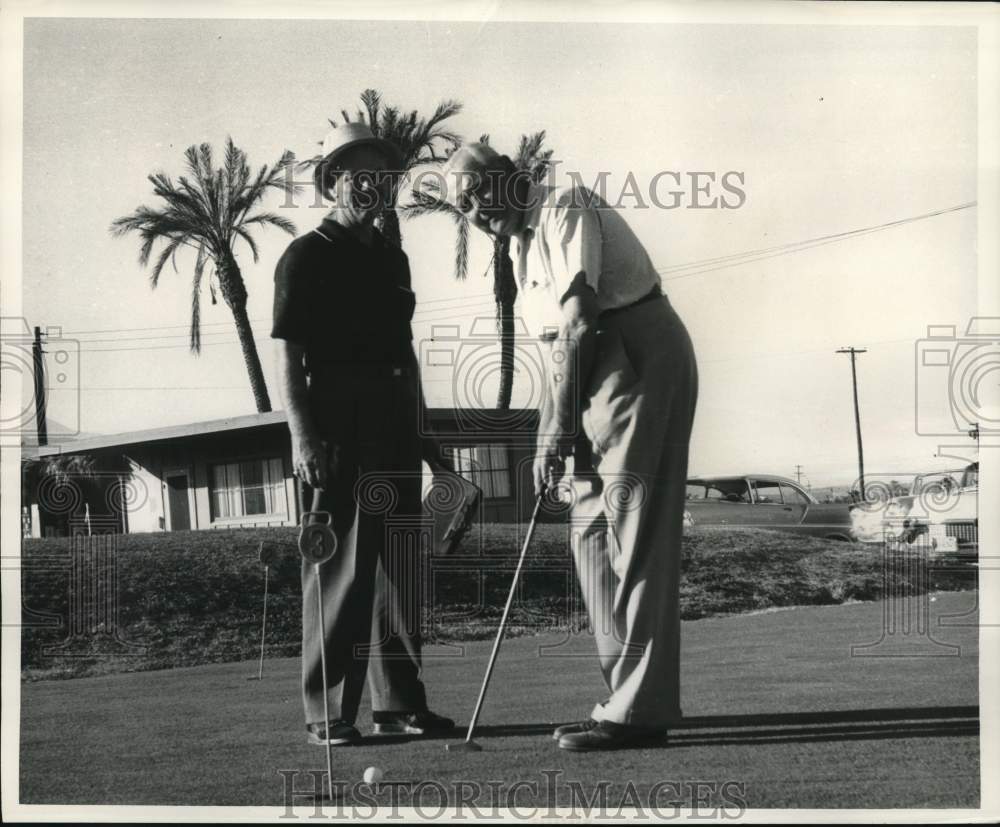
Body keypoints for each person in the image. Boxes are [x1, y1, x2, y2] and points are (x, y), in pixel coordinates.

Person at [441, 143, 698, 751]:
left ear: (509, 177)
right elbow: (558, 341)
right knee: (586, 532)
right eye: (462, 207)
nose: (475, 212)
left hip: (636, 356)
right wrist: (551, 422)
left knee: (633, 533)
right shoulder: (519, 245)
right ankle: (621, 696)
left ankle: (639, 710)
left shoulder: (564, 205)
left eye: (478, 192)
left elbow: (582, 319)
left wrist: (554, 424)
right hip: (582, 377)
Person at [272, 122, 453, 746]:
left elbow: (403, 349)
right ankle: (327, 713)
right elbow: (290, 358)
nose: (371, 185)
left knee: (399, 565)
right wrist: (303, 437)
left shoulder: (392, 256)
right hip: (338, 426)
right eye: (357, 174)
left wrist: (426, 440)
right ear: (333, 181)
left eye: (382, 175)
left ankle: (399, 703)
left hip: (397, 421)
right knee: (340, 569)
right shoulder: (306, 254)